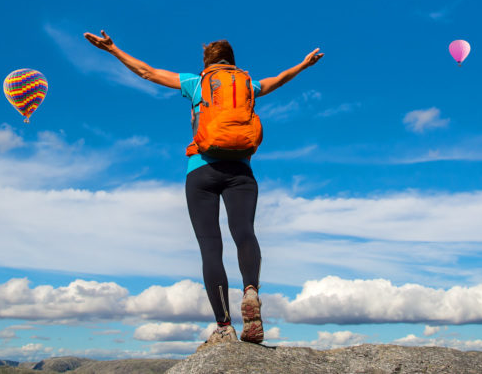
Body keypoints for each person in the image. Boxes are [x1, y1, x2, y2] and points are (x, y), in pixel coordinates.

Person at [83, 30, 323, 349]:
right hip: (241, 171)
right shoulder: (248, 85)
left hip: (201, 171)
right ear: (232, 62)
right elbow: (278, 79)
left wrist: (113, 49)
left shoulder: (197, 83)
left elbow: (147, 72)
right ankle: (251, 289)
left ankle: (224, 325)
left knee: (211, 245)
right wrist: (303, 65)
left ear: (206, 62)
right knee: (244, 233)